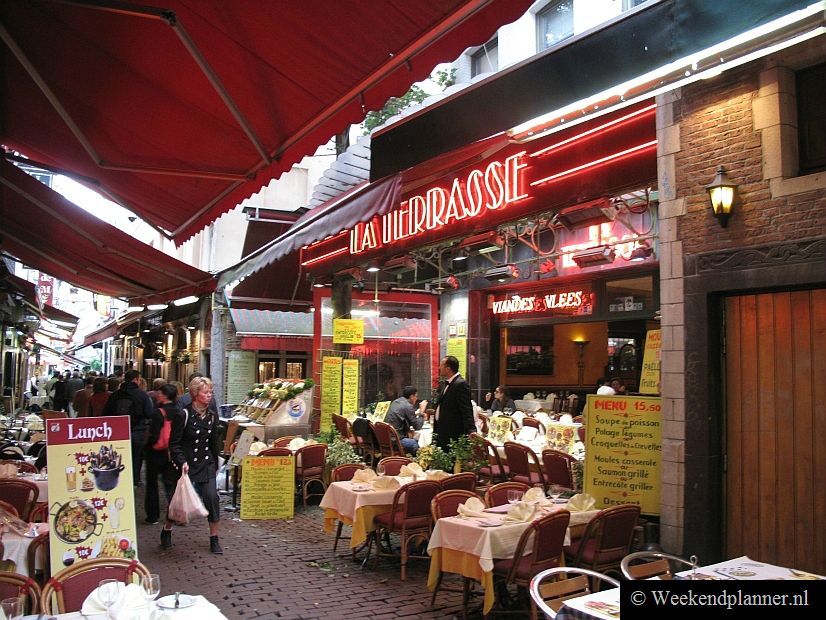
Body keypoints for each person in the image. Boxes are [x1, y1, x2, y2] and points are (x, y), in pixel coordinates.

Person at [164, 376, 223, 554]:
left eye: (210, 392)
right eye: (206, 392)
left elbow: (214, 441)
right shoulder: (184, 414)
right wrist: (181, 461)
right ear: (195, 394)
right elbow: (174, 443)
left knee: (212, 497)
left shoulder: (212, 416)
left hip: (206, 463)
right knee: (178, 501)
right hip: (186, 465)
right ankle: (167, 529)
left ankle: (214, 538)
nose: (209, 395)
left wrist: (216, 462)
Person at [102, 369, 153, 486]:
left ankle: (120, 478)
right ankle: (135, 479)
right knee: (136, 456)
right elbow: (149, 413)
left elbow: (106, 412)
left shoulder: (115, 395)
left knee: (119, 455)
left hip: (117, 431)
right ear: (136, 379)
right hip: (137, 431)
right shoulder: (142, 395)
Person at [145, 383, 181, 525]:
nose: (157, 395)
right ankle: (176, 513)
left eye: (159, 393)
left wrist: (148, 444)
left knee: (152, 484)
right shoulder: (179, 412)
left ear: (165, 395)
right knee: (171, 484)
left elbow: (154, 435)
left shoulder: (158, 413)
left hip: (156, 453)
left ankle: (153, 515)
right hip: (172, 452)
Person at [433, 356, 475, 451]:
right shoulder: (447, 383)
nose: (439, 368)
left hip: (452, 431)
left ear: (448, 368)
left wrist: (471, 429)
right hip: (443, 430)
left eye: (441, 366)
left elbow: (466, 409)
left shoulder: (461, 384)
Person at [384, 385, 426, 456]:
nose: (416, 398)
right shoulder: (408, 406)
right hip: (396, 440)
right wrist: (422, 411)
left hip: (387, 438)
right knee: (415, 443)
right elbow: (417, 426)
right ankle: (419, 464)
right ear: (411, 396)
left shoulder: (396, 402)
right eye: (416, 396)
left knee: (413, 437)